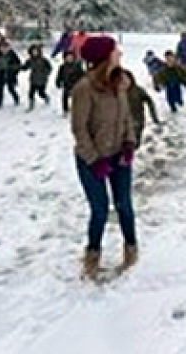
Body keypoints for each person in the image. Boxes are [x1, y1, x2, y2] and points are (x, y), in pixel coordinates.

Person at [71, 36, 137, 280]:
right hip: (92, 160)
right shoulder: (84, 89)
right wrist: (94, 159)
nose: (119, 53)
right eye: (115, 50)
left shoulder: (120, 82)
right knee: (99, 210)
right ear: (104, 57)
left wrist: (129, 142)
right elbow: (79, 129)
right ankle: (92, 256)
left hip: (119, 155)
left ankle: (131, 250)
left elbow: (127, 117)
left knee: (124, 206)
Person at [121, 70, 160, 148]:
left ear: (131, 79)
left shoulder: (138, 90)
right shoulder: (116, 91)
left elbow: (149, 101)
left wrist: (154, 116)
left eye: (126, 79)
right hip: (123, 123)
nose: (124, 82)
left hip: (137, 121)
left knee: (135, 143)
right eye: (121, 80)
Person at [21, 44, 53, 111]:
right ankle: (31, 105)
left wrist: (45, 74)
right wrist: (18, 67)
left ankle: (46, 98)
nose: (34, 53)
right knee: (31, 92)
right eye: (33, 51)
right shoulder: (30, 60)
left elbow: (49, 68)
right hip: (33, 79)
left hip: (42, 79)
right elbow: (25, 67)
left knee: (40, 92)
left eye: (36, 51)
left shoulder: (44, 60)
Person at [0, 39, 21, 108]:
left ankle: (16, 99)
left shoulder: (12, 55)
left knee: (11, 88)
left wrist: (14, 72)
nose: (4, 49)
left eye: (6, 48)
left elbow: (18, 64)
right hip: (0, 74)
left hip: (10, 74)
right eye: (2, 48)